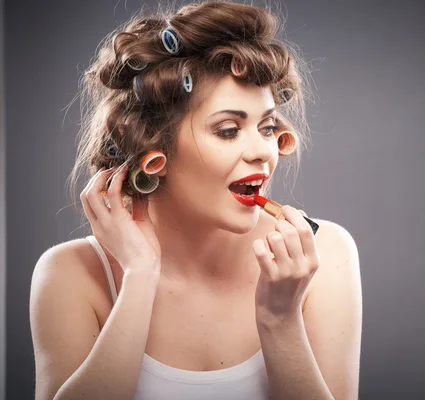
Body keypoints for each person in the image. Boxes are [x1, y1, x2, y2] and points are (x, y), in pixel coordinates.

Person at [29, 1, 362, 399]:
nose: (264, 152)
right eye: (227, 130)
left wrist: (279, 319)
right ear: (156, 151)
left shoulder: (324, 254)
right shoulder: (72, 274)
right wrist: (140, 276)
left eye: (268, 126)